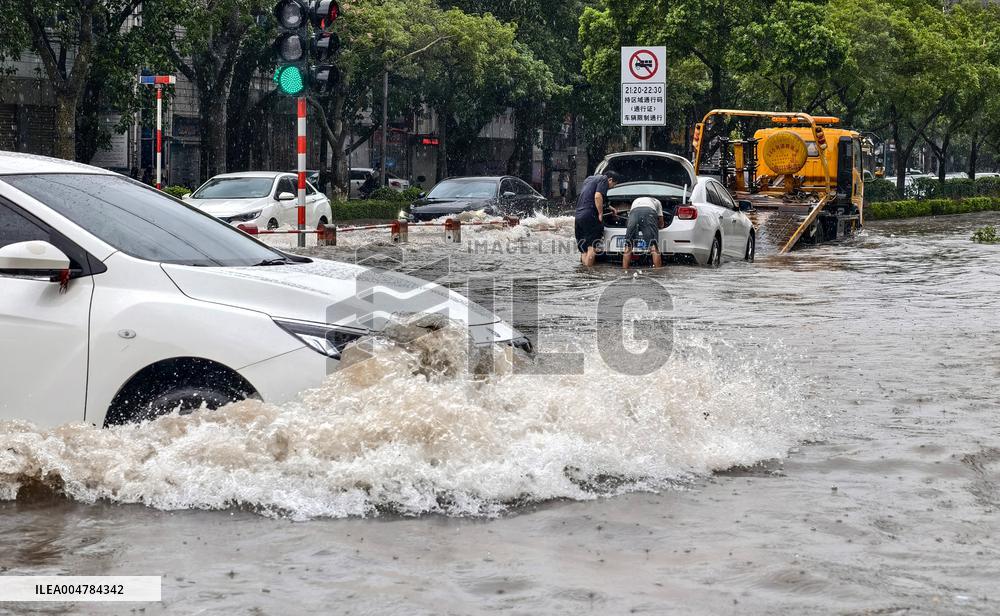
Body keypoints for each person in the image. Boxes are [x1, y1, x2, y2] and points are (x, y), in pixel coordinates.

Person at [574, 170, 622, 266]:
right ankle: (590, 276)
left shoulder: (589, 179)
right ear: (610, 179)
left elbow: (589, 196)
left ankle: (584, 274)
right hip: (590, 216)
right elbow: (597, 196)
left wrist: (611, 208)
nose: (612, 187)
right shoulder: (603, 179)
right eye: (614, 184)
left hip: (579, 216)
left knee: (584, 249)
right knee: (592, 247)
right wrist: (600, 213)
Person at [622, 196, 664, 269]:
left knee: (628, 245)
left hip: (634, 212)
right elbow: (661, 222)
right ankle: (658, 272)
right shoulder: (657, 202)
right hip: (649, 212)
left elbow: (630, 220)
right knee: (653, 246)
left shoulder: (636, 200)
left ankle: (625, 271)